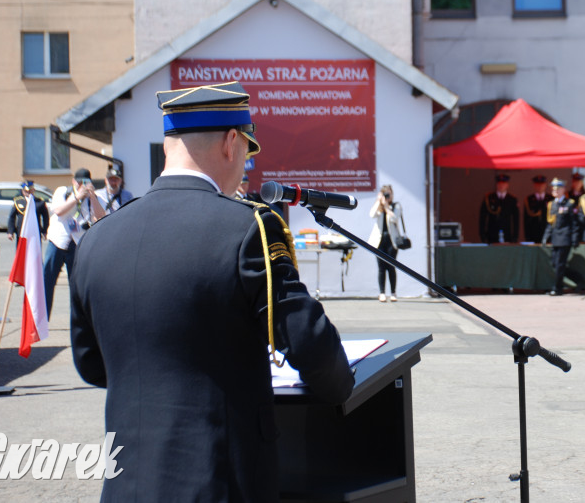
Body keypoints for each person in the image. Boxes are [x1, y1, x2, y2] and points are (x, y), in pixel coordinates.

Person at [69, 81, 354, 501]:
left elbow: (92, 365)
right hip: (220, 481)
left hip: (125, 487)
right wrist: (339, 385)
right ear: (231, 143)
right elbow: (313, 348)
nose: (245, 168)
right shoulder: (246, 228)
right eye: (246, 155)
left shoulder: (97, 238)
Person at [43, 168, 104, 318]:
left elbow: (100, 216)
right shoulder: (63, 191)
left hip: (77, 243)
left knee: (76, 285)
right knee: (47, 280)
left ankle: (77, 320)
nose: (82, 185)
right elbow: (58, 211)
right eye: (79, 182)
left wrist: (92, 197)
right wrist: (77, 197)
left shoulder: (93, 196)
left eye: (86, 182)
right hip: (58, 241)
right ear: (73, 181)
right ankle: (42, 318)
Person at [542, 178, 585, 296]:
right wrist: (545, 237)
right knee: (555, 264)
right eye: (553, 189)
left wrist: (574, 239)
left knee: (560, 264)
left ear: (563, 190)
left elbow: (574, 223)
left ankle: (557, 288)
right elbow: (550, 223)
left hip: (565, 238)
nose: (555, 191)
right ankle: (580, 280)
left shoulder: (569, 204)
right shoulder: (552, 204)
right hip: (555, 238)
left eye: (558, 189)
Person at [368, 184, 404, 302]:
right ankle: (382, 293)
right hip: (379, 241)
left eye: (389, 194)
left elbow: (394, 218)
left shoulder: (395, 206)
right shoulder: (379, 207)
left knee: (391, 266)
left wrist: (387, 206)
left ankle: (393, 293)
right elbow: (372, 215)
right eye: (385, 194)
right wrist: (379, 202)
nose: (388, 196)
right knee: (381, 267)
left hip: (391, 241)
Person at [478, 173, 519, 243]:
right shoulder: (489, 198)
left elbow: (516, 220)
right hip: (491, 236)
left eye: (503, 184)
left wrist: (515, 237)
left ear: (507, 185)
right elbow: (482, 218)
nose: (501, 186)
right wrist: (483, 235)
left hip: (507, 236)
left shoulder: (512, 199)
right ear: (496, 184)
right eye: (499, 183)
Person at [523, 175, 550, 244]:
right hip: (533, 234)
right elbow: (526, 220)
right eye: (538, 184)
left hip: (548, 234)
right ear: (534, 185)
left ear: (545, 185)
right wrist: (527, 237)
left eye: (542, 184)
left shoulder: (550, 199)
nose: (540, 186)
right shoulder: (528, 200)